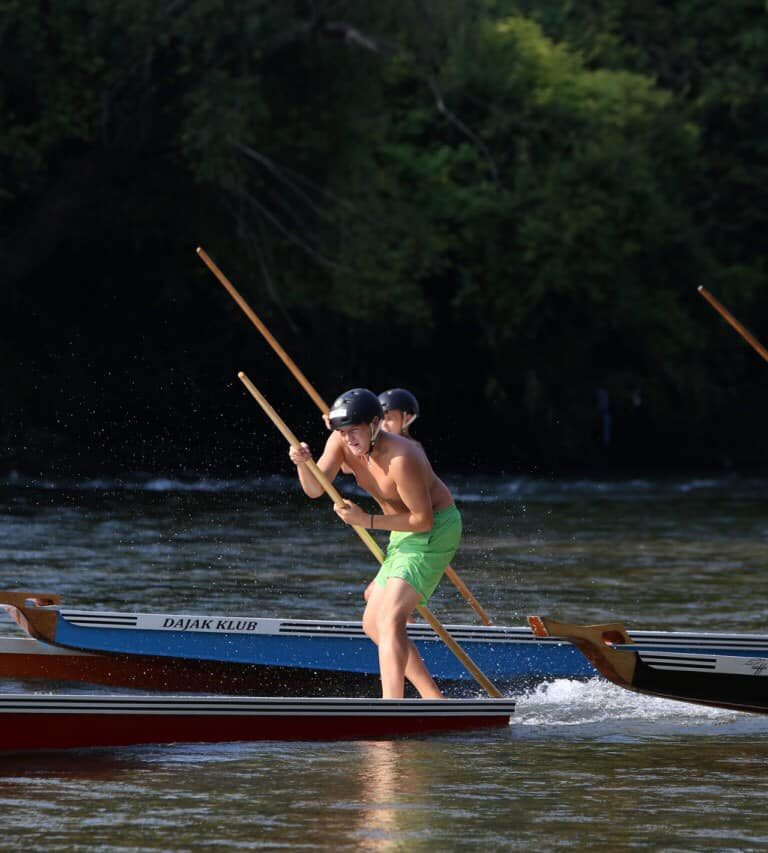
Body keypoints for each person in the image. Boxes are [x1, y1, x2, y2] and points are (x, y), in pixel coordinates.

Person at [288, 387, 461, 699]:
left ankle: (392, 705)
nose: (349, 439)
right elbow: (314, 489)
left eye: (355, 430)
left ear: (375, 423)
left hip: (435, 529)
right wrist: (303, 463)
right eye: (343, 432)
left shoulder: (403, 456)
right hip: (400, 531)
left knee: (391, 618)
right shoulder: (340, 441)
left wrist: (365, 519)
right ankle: (433, 698)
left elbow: (423, 521)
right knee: (372, 623)